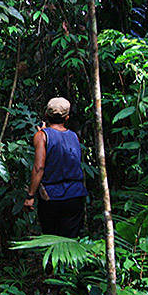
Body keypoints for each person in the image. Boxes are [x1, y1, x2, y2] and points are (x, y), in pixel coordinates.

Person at [23, 97, 88, 238]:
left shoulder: (42, 136)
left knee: (52, 240)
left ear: (46, 115)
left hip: (52, 196)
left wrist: (30, 196)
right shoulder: (74, 136)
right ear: (67, 118)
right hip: (75, 195)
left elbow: (39, 168)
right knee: (69, 242)